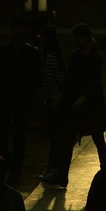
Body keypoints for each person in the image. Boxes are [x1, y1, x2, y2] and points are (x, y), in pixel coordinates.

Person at [48, 23, 106, 188]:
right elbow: (70, 78)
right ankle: (63, 174)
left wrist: (82, 98)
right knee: (68, 139)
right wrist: (62, 97)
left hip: (91, 104)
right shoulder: (77, 55)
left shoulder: (94, 57)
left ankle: (105, 173)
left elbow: (94, 82)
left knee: (97, 139)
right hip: (76, 103)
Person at [0, 16, 41, 188]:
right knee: (8, 135)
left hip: (17, 99)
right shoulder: (29, 52)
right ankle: (13, 168)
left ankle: (13, 169)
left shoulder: (8, 51)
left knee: (14, 136)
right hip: (13, 99)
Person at [37, 26, 67, 183]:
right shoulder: (57, 57)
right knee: (57, 136)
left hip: (52, 100)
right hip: (58, 100)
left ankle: (53, 167)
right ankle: (55, 167)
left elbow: (47, 82)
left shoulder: (49, 58)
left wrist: (41, 99)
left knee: (54, 136)